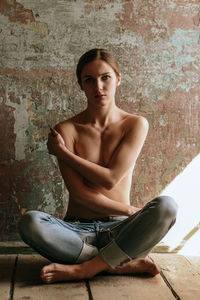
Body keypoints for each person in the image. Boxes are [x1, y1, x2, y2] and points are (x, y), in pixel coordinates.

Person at [19, 48, 177, 284]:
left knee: (167, 206)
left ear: (118, 79)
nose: (98, 87)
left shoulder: (135, 124)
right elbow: (80, 195)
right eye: (89, 80)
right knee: (30, 222)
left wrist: (63, 153)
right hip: (75, 231)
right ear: (81, 85)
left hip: (121, 229)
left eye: (105, 77)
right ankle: (115, 264)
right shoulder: (67, 130)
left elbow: (111, 178)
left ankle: (85, 268)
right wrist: (129, 209)